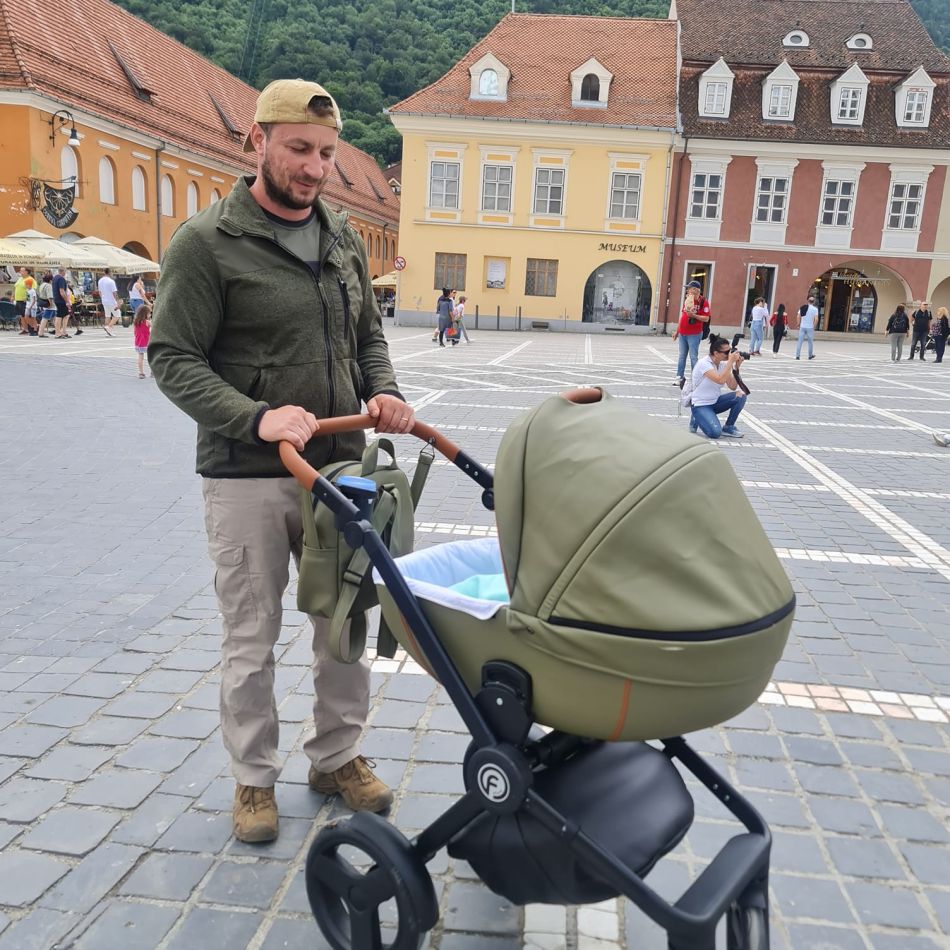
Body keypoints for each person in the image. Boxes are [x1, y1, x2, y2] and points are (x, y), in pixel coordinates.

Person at [149, 78, 413, 845]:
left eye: (327, 153)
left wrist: (386, 392)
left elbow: (368, 338)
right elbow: (173, 358)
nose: (314, 168)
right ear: (257, 142)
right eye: (299, 149)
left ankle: (336, 757)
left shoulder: (343, 239)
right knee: (251, 634)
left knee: (346, 625)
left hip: (340, 469)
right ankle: (253, 779)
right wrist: (256, 418)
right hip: (247, 477)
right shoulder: (206, 243)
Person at [687, 334, 748, 439]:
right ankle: (697, 416)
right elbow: (720, 379)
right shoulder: (704, 364)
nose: (729, 354)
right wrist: (730, 362)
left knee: (741, 395)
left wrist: (737, 367)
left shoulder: (722, 364)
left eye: (730, 351)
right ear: (716, 353)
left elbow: (732, 386)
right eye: (726, 352)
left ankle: (729, 427)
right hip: (701, 404)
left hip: (715, 402)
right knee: (715, 433)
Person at [673, 279, 710, 386]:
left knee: (693, 356)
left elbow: (706, 318)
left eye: (689, 288)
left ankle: (695, 378)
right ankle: (679, 377)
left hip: (695, 333)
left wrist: (694, 316)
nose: (687, 290)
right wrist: (677, 331)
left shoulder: (703, 302)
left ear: (695, 290)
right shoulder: (688, 300)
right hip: (683, 332)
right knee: (682, 356)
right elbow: (683, 316)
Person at [97, 267, 121, 337]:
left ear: (104, 272)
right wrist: (117, 301)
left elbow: (100, 292)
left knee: (108, 316)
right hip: (111, 301)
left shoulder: (100, 281)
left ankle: (109, 331)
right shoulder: (111, 281)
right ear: (110, 272)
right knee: (117, 315)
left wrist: (103, 298)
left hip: (104, 300)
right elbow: (114, 293)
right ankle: (109, 327)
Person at [795, 294, 818, 360]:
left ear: (808, 300)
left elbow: (798, 316)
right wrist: (814, 326)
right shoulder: (815, 309)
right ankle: (810, 355)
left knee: (800, 341)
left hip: (802, 326)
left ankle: (797, 355)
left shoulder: (803, 307)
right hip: (810, 327)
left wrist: (798, 324)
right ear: (813, 301)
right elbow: (816, 319)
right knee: (810, 342)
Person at [51, 266, 71, 339]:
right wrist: (67, 301)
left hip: (56, 298)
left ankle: (63, 331)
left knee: (66, 315)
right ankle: (58, 333)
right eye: (65, 272)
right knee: (59, 316)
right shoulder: (61, 279)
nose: (65, 273)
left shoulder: (55, 278)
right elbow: (62, 291)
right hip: (61, 300)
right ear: (63, 271)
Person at [133, 304, 151, 378]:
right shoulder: (147, 322)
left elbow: (135, 332)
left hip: (139, 342)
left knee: (140, 357)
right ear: (145, 314)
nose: (150, 315)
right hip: (147, 342)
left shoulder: (136, 322)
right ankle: (153, 372)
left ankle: (141, 373)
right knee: (151, 357)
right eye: (149, 313)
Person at [36, 272, 55, 338]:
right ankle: (40, 332)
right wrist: (51, 304)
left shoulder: (42, 285)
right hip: (49, 305)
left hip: (44, 303)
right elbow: (50, 296)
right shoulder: (48, 286)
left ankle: (57, 330)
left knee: (54, 317)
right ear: (50, 280)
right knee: (45, 318)